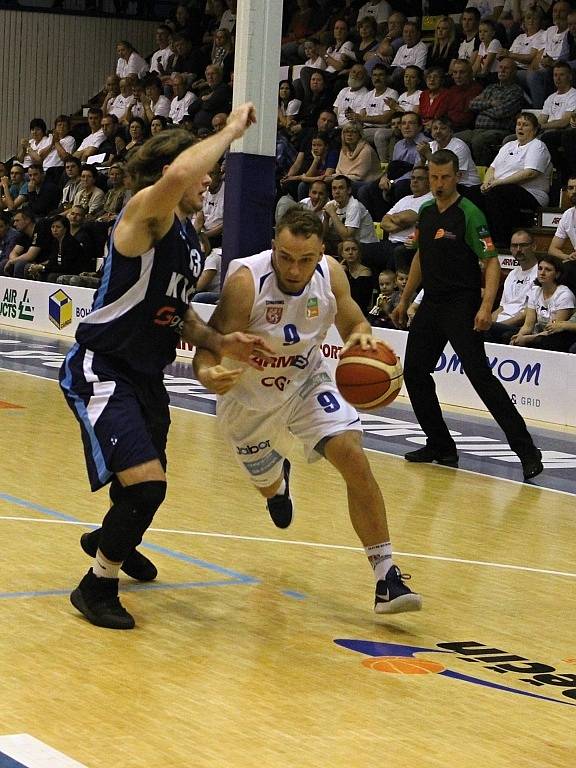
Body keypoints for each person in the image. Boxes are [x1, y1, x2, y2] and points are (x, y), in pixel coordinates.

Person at [59, 103, 274, 631]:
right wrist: (228, 129)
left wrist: (223, 341)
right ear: (170, 173)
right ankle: (97, 583)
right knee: (147, 484)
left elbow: (178, 316)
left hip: (145, 374)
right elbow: (180, 172)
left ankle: (109, 539)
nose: (209, 178)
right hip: (103, 365)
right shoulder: (141, 215)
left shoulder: (189, 241)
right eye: (202, 169)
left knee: (147, 484)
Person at [192, 207, 422, 616]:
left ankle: (386, 576)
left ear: (320, 255)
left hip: (306, 382)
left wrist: (360, 342)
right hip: (248, 399)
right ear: (274, 247)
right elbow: (209, 345)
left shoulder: (330, 274)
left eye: (305, 260)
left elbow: (355, 324)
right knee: (267, 489)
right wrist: (209, 374)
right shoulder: (247, 281)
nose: (295, 269)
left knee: (353, 457)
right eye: (285, 257)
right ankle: (276, 484)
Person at [391, 149, 543, 481]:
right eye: (433, 177)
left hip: (462, 304)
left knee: (480, 377)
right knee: (415, 374)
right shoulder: (427, 211)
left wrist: (486, 306)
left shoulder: (470, 213)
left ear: (457, 177)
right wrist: (404, 300)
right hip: (431, 303)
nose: (439, 184)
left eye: (445, 177)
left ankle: (527, 451)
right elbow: (418, 259)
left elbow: (490, 263)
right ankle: (441, 445)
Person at [481, 111, 552, 245]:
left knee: (497, 193)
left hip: (532, 193)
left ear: (535, 129)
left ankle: (500, 242)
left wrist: (497, 183)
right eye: (518, 124)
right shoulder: (508, 145)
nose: (520, 127)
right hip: (502, 188)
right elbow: (492, 168)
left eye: (525, 125)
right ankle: (481, 241)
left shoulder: (537, 146)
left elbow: (530, 173)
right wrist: (486, 183)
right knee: (473, 193)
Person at [510, 255, 576, 350]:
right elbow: (528, 325)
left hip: (552, 336)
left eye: (548, 270)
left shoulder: (564, 295)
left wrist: (526, 339)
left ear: (557, 274)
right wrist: (519, 336)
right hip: (537, 333)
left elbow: (553, 328)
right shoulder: (535, 291)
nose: (542, 273)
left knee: (545, 342)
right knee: (508, 336)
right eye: (540, 269)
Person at [485, 228, 539, 343]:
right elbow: (501, 308)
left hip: (518, 327)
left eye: (523, 245)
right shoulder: (512, 274)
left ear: (534, 246)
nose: (518, 250)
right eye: (514, 246)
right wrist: (487, 321)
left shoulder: (540, 273)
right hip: (498, 324)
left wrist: (495, 325)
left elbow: (525, 315)